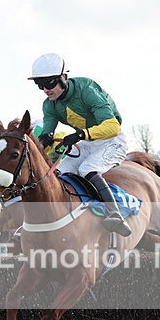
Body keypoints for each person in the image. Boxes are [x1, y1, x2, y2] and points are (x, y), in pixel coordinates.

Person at [28, 53, 131, 236]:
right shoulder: (49, 105)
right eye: (40, 85)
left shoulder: (86, 89)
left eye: (49, 83)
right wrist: (40, 143)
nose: (45, 89)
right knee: (60, 172)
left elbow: (113, 126)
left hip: (112, 140)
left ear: (64, 78)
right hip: (89, 142)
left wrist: (81, 134)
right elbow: (47, 133)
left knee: (87, 169)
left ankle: (115, 214)